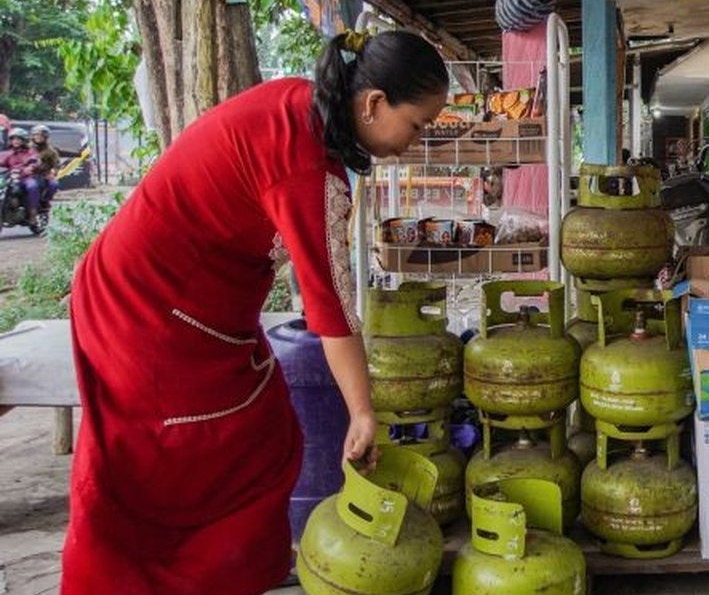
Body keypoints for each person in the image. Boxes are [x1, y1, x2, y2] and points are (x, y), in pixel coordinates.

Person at [62, 30, 450, 595]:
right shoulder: (305, 165)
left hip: (199, 309)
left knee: (266, 439)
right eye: (416, 125)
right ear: (373, 104)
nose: (414, 143)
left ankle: (234, 577)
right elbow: (331, 307)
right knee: (163, 466)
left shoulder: (306, 109)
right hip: (146, 310)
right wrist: (363, 413)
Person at [1, 128, 42, 225]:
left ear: (24, 140)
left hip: (26, 178)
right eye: (13, 139)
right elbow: (2, 162)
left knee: (32, 187)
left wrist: (31, 167)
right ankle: (10, 208)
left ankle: (33, 214)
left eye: (18, 139)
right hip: (12, 178)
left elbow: (35, 160)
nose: (16, 141)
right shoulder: (8, 153)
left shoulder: (30, 152)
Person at [30, 125, 60, 208]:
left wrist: (53, 172)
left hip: (44, 174)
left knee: (54, 185)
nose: (39, 137)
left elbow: (56, 164)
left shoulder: (51, 151)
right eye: (36, 135)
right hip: (29, 174)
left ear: (46, 137)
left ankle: (44, 201)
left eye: (41, 135)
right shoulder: (27, 148)